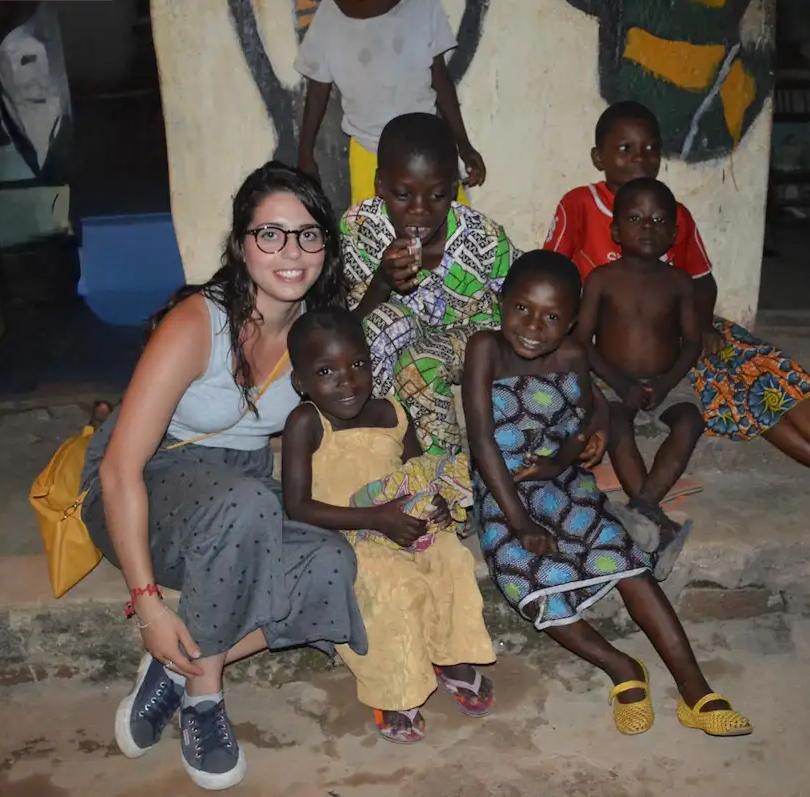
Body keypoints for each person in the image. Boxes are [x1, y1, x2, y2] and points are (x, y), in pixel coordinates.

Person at [547, 101, 810, 553]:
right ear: (599, 156)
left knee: (769, 373)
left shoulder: (673, 212)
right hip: (614, 351)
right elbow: (551, 279)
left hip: (681, 339)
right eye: (625, 149)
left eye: (650, 150)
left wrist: (700, 327)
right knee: (754, 400)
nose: (640, 159)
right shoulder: (580, 206)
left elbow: (701, 281)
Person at [80, 162, 366, 790]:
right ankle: (204, 700)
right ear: (242, 244)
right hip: (148, 484)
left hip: (235, 503)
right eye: (271, 234)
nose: (291, 252)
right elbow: (120, 467)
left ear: (326, 246)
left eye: (308, 234)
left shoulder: (316, 334)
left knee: (333, 564)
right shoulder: (197, 322)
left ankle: (181, 669)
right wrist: (150, 608)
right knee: (247, 503)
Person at [463, 250, 752, 738]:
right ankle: (622, 669)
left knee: (625, 559)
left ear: (573, 323)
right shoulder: (485, 349)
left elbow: (598, 408)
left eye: (553, 316)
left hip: (563, 481)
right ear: (502, 303)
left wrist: (571, 451)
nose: (534, 325)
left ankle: (695, 691)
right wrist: (519, 522)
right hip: (503, 488)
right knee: (527, 579)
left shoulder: (573, 356)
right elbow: (483, 440)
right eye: (522, 309)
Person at [281, 306, 495, 744]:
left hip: (399, 520)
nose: (347, 380)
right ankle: (396, 688)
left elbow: (419, 471)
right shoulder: (306, 423)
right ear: (300, 382)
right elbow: (298, 506)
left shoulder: (393, 412)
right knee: (393, 585)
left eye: (357, 364)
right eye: (326, 370)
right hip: (344, 533)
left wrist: (434, 504)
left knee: (450, 558)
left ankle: (449, 655)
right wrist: (375, 519)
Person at [343, 111, 520, 455]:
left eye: (437, 196)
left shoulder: (481, 237)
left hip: (475, 335)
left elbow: (522, 293)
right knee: (380, 326)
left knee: (419, 364)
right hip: (403, 330)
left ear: (453, 189)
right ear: (380, 185)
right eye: (403, 195)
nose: (420, 210)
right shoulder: (361, 228)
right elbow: (352, 327)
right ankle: (373, 445)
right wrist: (382, 280)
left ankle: (444, 474)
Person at [573, 178, 704, 560]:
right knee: (614, 422)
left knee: (691, 422)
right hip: (614, 382)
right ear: (615, 230)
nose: (647, 226)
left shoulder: (679, 283)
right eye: (635, 218)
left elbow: (692, 343)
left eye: (659, 219)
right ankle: (654, 516)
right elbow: (583, 340)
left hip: (668, 381)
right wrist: (618, 382)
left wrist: (666, 384)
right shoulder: (601, 280)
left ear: (674, 233)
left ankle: (643, 505)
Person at [295, 0, 484, 205]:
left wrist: (464, 145)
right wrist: (305, 153)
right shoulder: (329, 15)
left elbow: (440, 78)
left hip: (426, 151)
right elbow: (318, 88)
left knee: (454, 229)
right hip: (369, 150)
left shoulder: (421, 6)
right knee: (372, 232)